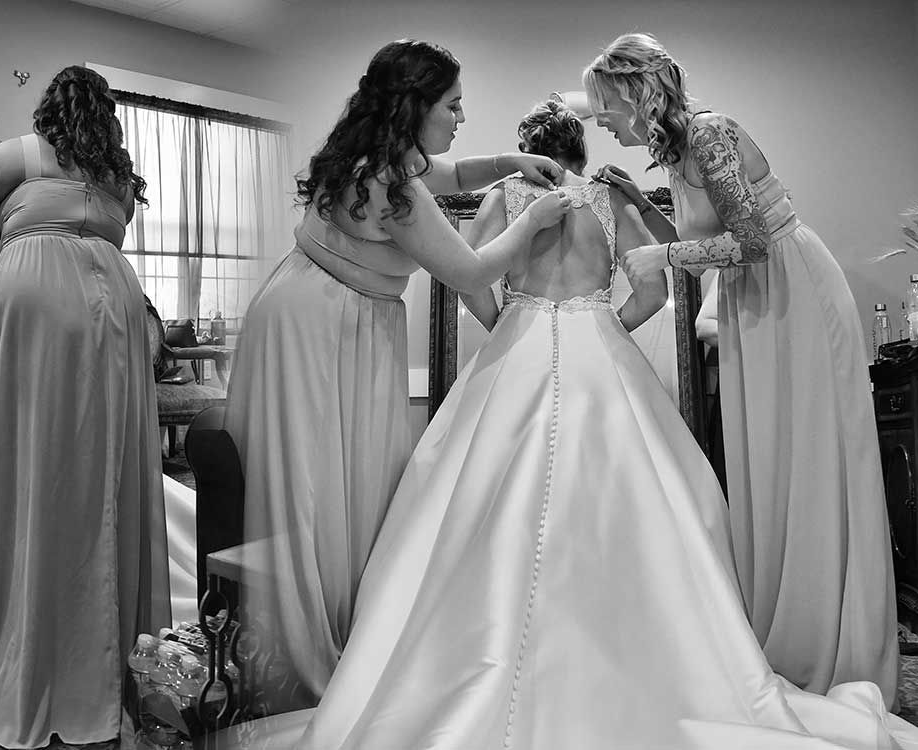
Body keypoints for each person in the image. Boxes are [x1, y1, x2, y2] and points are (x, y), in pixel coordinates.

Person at [222, 97, 918, 750]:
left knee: (461, 505)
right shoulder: (609, 198)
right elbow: (653, 284)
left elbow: (469, 280)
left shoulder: (502, 197)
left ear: (529, 148)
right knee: (655, 502)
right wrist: (606, 327)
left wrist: (506, 327)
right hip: (595, 344)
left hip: (522, 339)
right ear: (580, 148)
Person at [223, 39, 573, 706]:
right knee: (320, 485)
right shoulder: (390, 182)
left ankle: (347, 621)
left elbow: (451, 170)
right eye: (453, 104)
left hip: (335, 312)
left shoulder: (381, 157)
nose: (461, 116)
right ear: (416, 105)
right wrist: (531, 220)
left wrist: (508, 163)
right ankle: (313, 643)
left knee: (349, 479)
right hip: (324, 324)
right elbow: (468, 270)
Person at [591, 32, 897, 703]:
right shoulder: (675, 149)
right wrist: (645, 209)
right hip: (751, 304)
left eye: (605, 106)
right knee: (769, 464)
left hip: (794, 296)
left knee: (807, 462)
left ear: (634, 92)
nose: (602, 120)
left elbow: (753, 242)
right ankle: (784, 628)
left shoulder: (709, 132)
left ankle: (826, 638)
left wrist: (659, 262)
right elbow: (702, 240)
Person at [0, 65, 169, 748]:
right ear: (108, 118)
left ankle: (26, 654)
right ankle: (102, 663)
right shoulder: (118, 182)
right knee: (106, 475)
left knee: (23, 470)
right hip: (115, 314)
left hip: (34, 306)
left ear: (47, 110)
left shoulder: (11, 156)